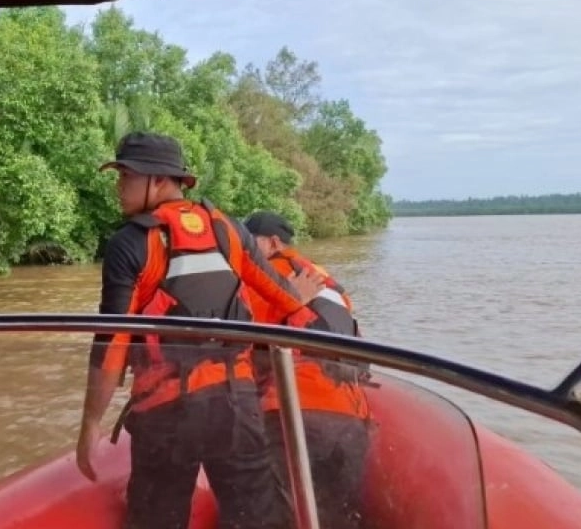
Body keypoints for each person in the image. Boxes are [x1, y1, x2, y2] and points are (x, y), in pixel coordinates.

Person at [75, 132, 326, 529]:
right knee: (257, 517)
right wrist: (301, 298)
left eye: (126, 176)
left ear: (158, 180)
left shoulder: (131, 243)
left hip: (166, 410)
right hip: (236, 402)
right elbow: (284, 298)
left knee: (157, 520)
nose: (118, 186)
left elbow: (112, 343)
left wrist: (90, 423)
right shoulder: (228, 229)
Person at [243, 210, 373, 529]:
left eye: (250, 242)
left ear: (273, 243)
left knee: (283, 511)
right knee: (340, 513)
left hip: (294, 410)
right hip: (351, 414)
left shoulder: (265, 278)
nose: (244, 250)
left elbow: (243, 341)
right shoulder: (325, 279)